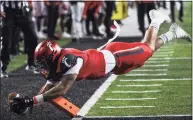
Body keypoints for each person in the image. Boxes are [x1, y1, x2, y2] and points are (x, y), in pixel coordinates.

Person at [8, 10, 191, 114]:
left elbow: (62, 89)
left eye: (44, 61)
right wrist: (28, 104)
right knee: (144, 52)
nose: (42, 65)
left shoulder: (68, 60)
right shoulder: (57, 62)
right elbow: (47, 90)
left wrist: (30, 100)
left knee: (147, 49)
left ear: (54, 57)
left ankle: (156, 19)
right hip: (109, 63)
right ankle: (173, 33)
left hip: (116, 57)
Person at [0, 1, 38, 78]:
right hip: (8, 11)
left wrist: (30, 3)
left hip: (23, 10)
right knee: (6, 41)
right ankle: (2, 68)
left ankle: (31, 64)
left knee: (33, 37)